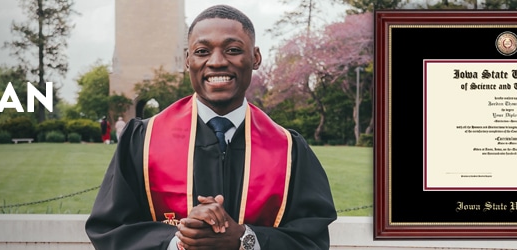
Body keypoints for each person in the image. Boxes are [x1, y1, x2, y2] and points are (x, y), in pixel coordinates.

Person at [86, 5, 336, 250]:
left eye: (233, 49)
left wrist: (246, 239)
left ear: (256, 57)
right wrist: (178, 241)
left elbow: (312, 241)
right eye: (203, 51)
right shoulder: (142, 140)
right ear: (187, 60)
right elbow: (110, 230)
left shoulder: (289, 149)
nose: (216, 62)